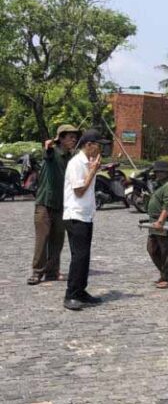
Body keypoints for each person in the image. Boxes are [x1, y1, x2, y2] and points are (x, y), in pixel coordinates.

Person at [28, 124, 80, 285]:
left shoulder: (71, 157)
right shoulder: (53, 152)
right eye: (70, 137)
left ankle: (52, 271)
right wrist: (49, 146)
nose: (74, 139)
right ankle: (37, 272)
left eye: (75, 137)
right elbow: (48, 152)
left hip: (62, 204)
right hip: (45, 202)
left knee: (57, 240)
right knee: (42, 239)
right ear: (61, 138)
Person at [62, 129, 107, 311]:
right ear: (89, 145)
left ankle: (80, 291)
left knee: (84, 256)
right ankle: (71, 294)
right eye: (99, 145)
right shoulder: (76, 163)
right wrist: (93, 171)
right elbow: (79, 190)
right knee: (79, 256)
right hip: (75, 215)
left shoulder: (87, 162)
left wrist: (92, 169)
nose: (101, 149)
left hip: (86, 214)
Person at [146, 160, 168, 289]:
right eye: (156, 171)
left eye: (161, 171)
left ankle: (167, 278)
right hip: (154, 222)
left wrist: (160, 221)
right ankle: (166, 273)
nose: (158, 174)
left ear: (167, 172)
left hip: (164, 222)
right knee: (152, 249)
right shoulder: (161, 185)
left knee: (165, 250)